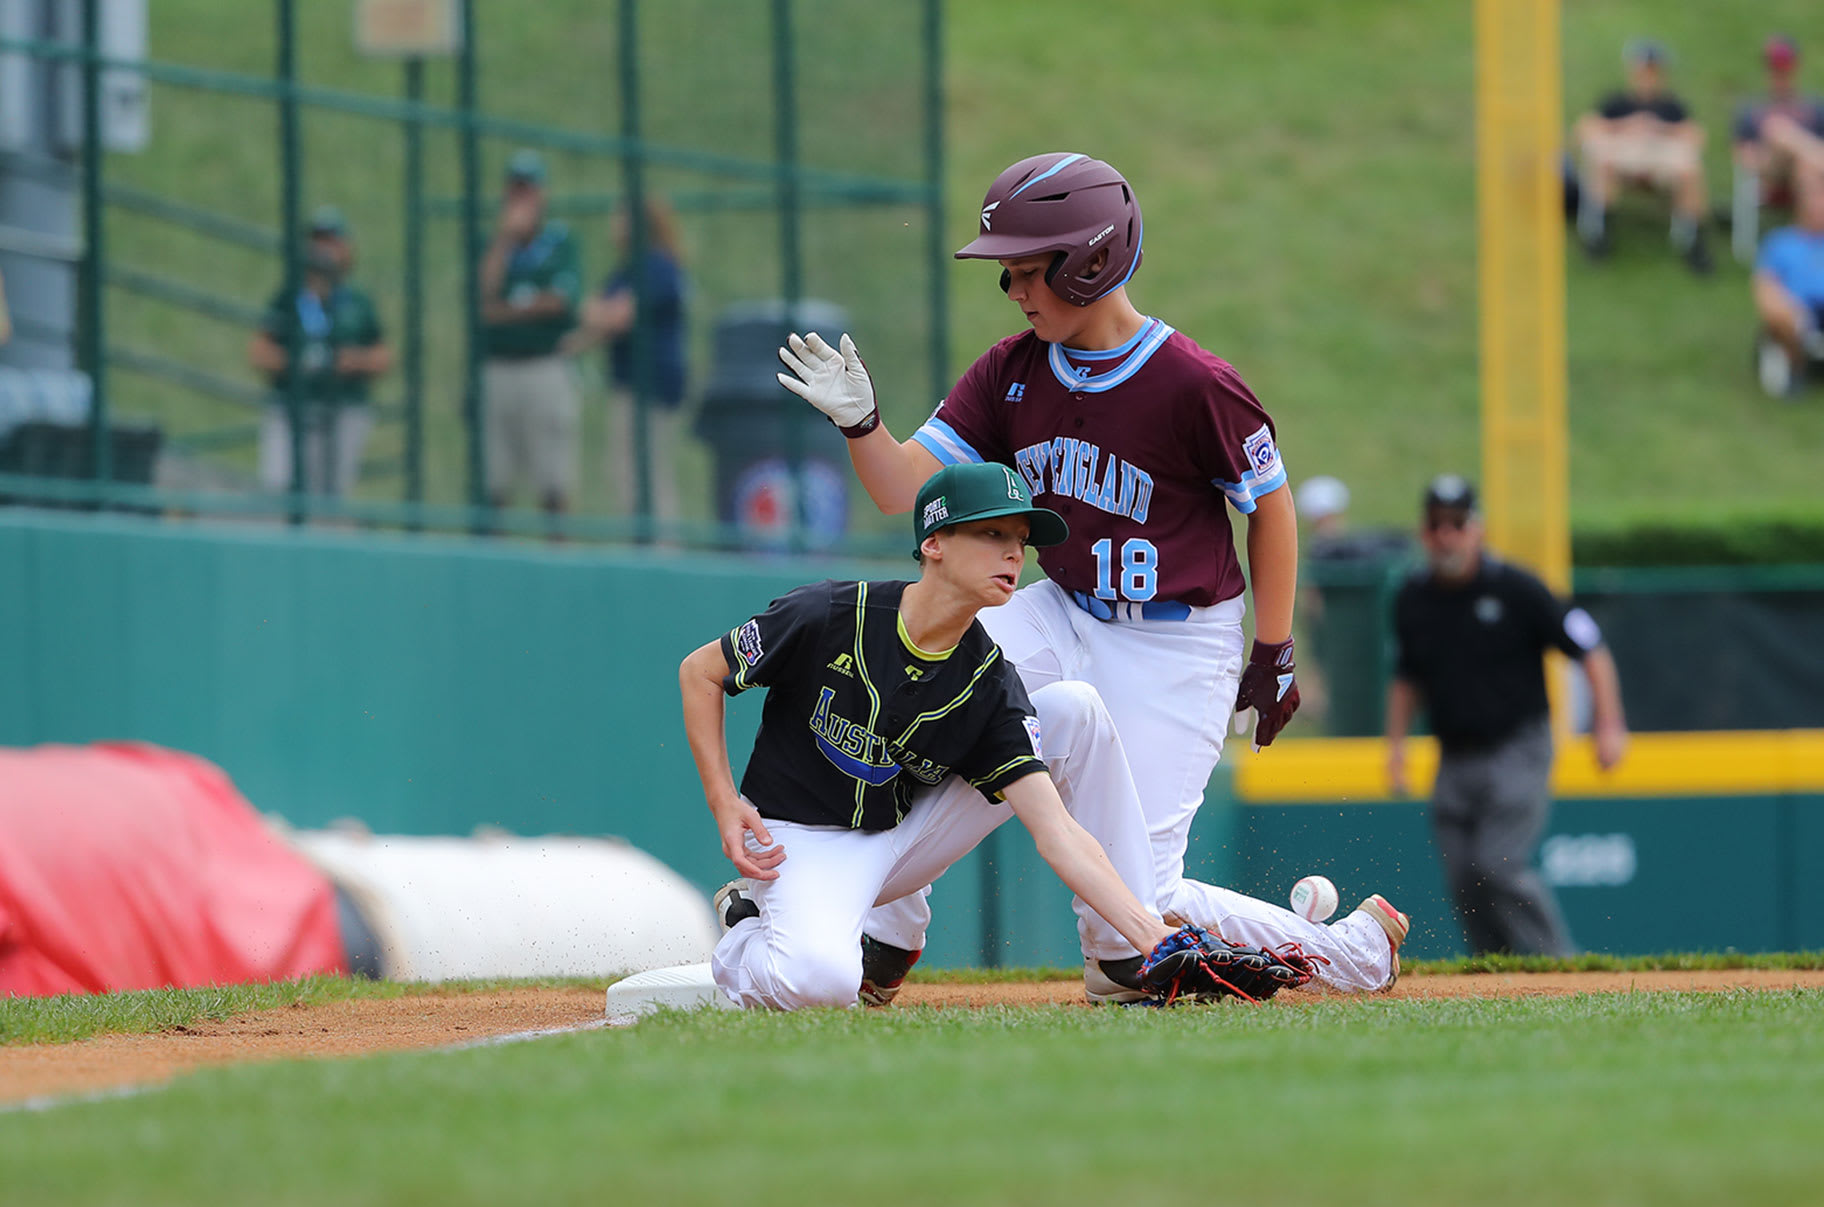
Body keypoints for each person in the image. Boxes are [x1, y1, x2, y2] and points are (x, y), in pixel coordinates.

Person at [776, 151, 1336, 1005]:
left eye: (1029, 272)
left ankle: (1353, 954)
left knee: (1135, 915)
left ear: (1093, 261)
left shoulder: (1195, 383)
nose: (1014, 292)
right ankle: (886, 938)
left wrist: (1273, 647)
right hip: (1063, 611)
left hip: (1175, 642)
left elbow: (1272, 506)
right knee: (908, 672)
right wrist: (864, 425)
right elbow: (901, 488)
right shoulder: (1011, 371)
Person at [684, 462, 1402, 1011]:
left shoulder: (988, 677)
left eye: (1021, 540)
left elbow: (1057, 832)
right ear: (934, 541)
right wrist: (724, 802)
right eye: (992, 534)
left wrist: (1156, 938)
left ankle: (1125, 954)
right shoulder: (831, 612)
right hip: (798, 840)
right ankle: (748, 934)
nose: (1013, 555)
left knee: (1074, 710)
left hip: (896, 841)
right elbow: (700, 673)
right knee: (822, 985)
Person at [1385, 476, 1629, 958]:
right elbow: (1406, 676)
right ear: (1423, 532)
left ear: (1477, 529)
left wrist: (1609, 723)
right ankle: (1497, 973)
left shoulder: (1517, 587)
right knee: (1463, 879)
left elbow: (1590, 648)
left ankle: (1559, 963)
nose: (1446, 535)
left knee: (1498, 863)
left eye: (1457, 524)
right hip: (1453, 754)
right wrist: (1394, 748)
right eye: (1437, 525)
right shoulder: (1413, 597)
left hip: (1518, 746)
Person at [247, 205, 391, 498]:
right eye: (317, 241)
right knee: (280, 488)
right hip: (294, 406)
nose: (323, 250)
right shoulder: (289, 296)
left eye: (331, 241)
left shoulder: (357, 301)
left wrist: (355, 361)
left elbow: (384, 356)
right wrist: (293, 363)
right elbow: (258, 351)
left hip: (344, 406)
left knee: (331, 496)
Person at [564, 195, 688, 524]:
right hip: (630, 382)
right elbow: (593, 314)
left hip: (652, 384)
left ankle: (660, 548)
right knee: (625, 469)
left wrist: (599, 315)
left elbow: (614, 317)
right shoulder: (627, 270)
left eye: (621, 216)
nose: (614, 224)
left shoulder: (658, 266)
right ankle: (645, 542)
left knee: (642, 470)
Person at [478, 150, 582, 516]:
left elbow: (560, 302)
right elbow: (483, 303)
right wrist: (504, 239)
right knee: (494, 476)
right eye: (515, 190)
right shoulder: (492, 244)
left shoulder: (559, 241)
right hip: (498, 365)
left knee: (553, 477)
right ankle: (492, 558)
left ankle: (559, 556)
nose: (521, 199)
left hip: (543, 365)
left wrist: (508, 310)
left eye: (528, 190)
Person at [1571, 41, 1712, 274]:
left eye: (1653, 71)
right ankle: (1600, 233)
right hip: (1623, 162)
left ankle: (1695, 240)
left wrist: (1659, 129)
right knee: (1603, 162)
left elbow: (1696, 136)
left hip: (1661, 165)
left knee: (1690, 170)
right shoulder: (1616, 103)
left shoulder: (1671, 107)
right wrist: (1627, 126)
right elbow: (1584, 129)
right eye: (1643, 70)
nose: (1647, 76)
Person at [1731, 36, 1824, 260]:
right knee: (1777, 128)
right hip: (1769, 170)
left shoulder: (1814, 108)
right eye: (1775, 68)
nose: (1780, 74)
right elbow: (1743, 155)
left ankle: (1806, 250)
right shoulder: (1752, 110)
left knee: (1806, 168)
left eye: (1785, 68)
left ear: (1795, 68)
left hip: (1808, 172)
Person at [1753, 165, 1824, 398]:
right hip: (1798, 311)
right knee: (1782, 312)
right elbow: (1765, 284)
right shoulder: (1780, 242)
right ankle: (1795, 367)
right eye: (1813, 198)